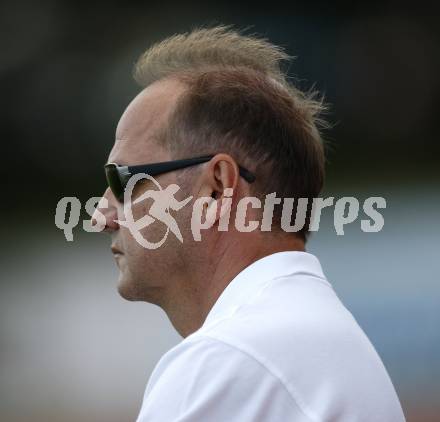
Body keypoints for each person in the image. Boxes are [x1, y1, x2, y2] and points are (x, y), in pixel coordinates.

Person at [92, 26, 405, 421]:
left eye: (123, 181)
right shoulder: (296, 338)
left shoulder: (229, 360)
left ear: (217, 187)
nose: (100, 216)